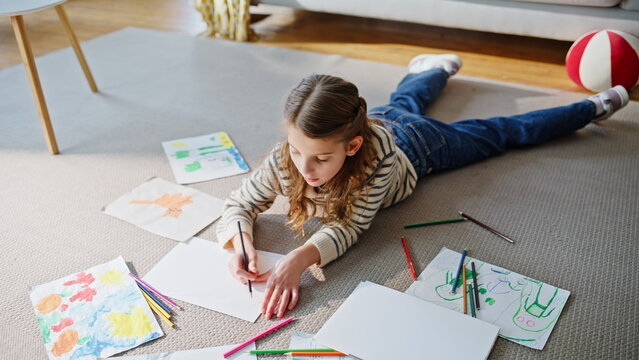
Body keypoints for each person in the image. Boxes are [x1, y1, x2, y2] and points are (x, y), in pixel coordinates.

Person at [216, 54, 629, 319]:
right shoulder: (290, 157)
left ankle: (590, 107)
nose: (305, 168)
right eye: (296, 149)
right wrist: (239, 241)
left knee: (500, 132)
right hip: (376, 118)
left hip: (420, 147)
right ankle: (435, 68)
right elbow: (241, 203)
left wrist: (300, 259)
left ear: (352, 146)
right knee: (400, 101)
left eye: (321, 159)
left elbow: (351, 227)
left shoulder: (374, 161)